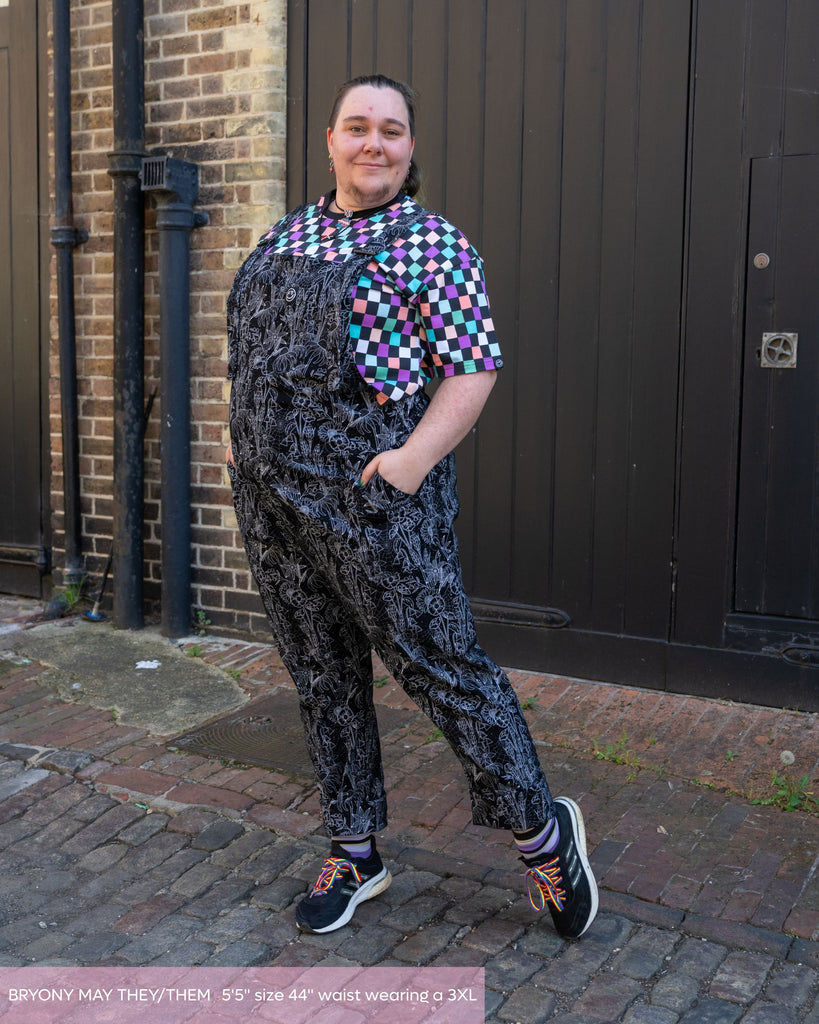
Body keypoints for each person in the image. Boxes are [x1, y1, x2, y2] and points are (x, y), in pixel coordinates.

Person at [226, 74, 598, 939]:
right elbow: (249, 350)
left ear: (409, 147)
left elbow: (473, 365)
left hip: (374, 504)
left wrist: (410, 463)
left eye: (390, 130)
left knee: (442, 668)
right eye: (357, 126)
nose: (373, 143)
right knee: (321, 673)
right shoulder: (285, 234)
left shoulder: (432, 243)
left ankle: (543, 836)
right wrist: (234, 436)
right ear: (329, 140)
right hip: (272, 502)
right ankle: (354, 850)